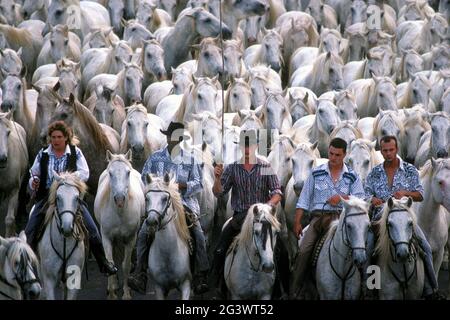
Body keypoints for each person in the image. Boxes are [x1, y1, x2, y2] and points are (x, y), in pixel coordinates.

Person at [25, 121, 118, 275]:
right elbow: (34, 173)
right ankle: (27, 265)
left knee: (93, 230)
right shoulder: (43, 154)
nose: (56, 140)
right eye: (53, 137)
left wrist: (68, 178)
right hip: (47, 198)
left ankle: (104, 263)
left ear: (66, 137)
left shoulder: (76, 153)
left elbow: (85, 173)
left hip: (70, 197)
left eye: (59, 137)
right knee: (30, 229)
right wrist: (33, 181)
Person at [128, 121, 210, 295]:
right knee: (143, 233)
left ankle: (200, 273)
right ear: (167, 137)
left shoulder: (191, 159)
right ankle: (140, 272)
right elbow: (144, 179)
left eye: (177, 137)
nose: (174, 140)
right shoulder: (155, 157)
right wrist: (155, 188)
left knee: (198, 233)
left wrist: (181, 186)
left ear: (180, 139)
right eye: (171, 137)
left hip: (184, 203)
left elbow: (199, 183)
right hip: (158, 205)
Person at [364, 135, 444, 300]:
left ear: (397, 150)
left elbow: (420, 195)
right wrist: (372, 199)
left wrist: (405, 193)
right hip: (380, 219)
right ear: (382, 151)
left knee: (426, 248)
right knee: (369, 250)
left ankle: (431, 289)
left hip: (405, 219)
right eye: (384, 150)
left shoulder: (410, 170)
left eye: (391, 150)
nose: (388, 153)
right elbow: (365, 194)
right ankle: (371, 288)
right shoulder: (374, 172)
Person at [211, 129, 287, 299]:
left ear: (255, 146)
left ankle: (282, 289)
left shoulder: (265, 166)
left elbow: (277, 191)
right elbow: (218, 193)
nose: (246, 150)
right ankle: (218, 286)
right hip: (240, 216)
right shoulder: (231, 168)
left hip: (262, 216)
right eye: (244, 146)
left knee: (282, 250)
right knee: (219, 249)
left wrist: (267, 206)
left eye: (250, 146)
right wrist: (217, 179)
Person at [291, 137, 365, 299]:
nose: (333, 158)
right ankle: (296, 290)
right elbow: (304, 198)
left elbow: (361, 200)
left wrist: (341, 197)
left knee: (363, 249)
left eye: (337, 155)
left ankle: (368, 288)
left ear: (344, 155)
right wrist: (297, 221)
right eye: (331, 154)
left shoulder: (352, 176)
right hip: (319, 218)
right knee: (304, 250)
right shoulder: (316, 173)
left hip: (344, 218)